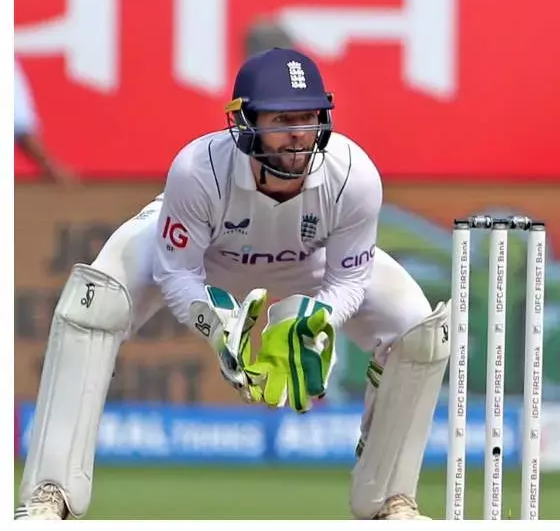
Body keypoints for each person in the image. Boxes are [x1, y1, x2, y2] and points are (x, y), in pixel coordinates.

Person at [17, 48, 448, 521]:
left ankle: (389, 498)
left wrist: (317, 318)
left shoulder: (353, 175)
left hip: (305, 261)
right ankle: (49, 494)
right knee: (91, 306)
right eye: (283, 119)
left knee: (419, 332)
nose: (299, 135)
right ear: (245, 122)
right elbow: (176, 272)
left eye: (309, 117)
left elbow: (350, 277)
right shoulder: (199, 170)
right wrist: (215, 327)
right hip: (206, 258)